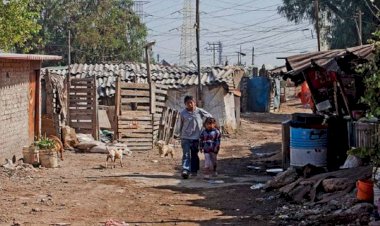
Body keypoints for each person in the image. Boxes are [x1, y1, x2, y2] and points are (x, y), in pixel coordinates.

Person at [177, 95, 212, 179]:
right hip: (185, 137)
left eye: (191, 102)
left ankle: (194, 171)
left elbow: (210, 117)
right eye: (187, 103)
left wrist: (205, 126)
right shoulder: (183, 113)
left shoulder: (199, 111)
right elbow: (180, 125)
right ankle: (185, 170)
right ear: (185, 104)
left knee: (194, 154)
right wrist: (178, 135)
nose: (190, 104)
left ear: (194, 103)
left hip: (196, 138)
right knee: (186, 154)